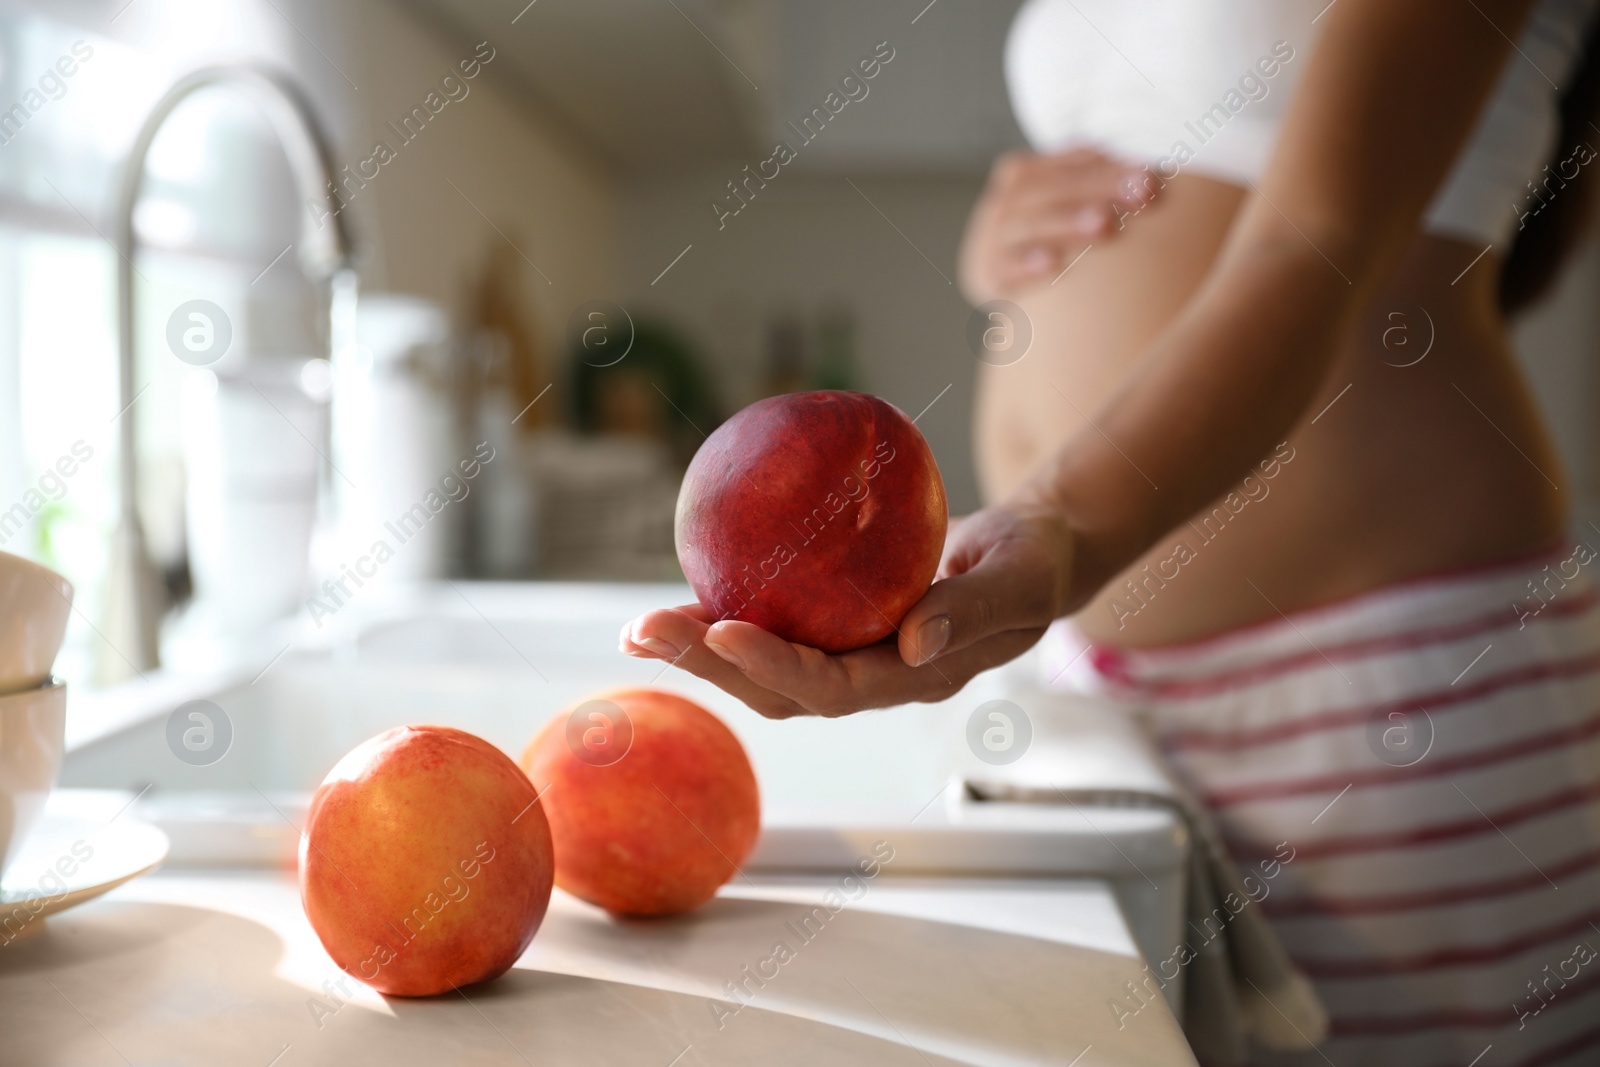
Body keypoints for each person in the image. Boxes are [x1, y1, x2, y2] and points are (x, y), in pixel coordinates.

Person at [626, 1, 1600, 1061]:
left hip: (1389, 678)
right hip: (1114, 681)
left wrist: (1062, 524)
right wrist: (1015, 248)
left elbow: (1313, 240)